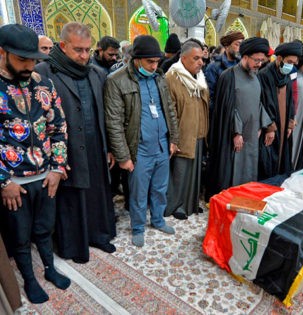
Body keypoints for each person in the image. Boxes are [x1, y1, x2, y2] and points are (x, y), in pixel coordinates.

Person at [0, 24, 70, 303]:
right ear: (2, 53)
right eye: (22, 59)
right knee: (20, 237)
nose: (30, 65)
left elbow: (59, 128)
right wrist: (4, 182)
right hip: (14, 184)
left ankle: (50, 270)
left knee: (44, 229)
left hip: (45, 177)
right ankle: (29, 280)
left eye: (33, 59)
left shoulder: (44, 84)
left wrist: (57, 168)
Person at [36, 22, 116, 263]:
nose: (84, 56)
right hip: (65, 150)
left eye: (87, 50)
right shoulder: (44, 72)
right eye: (78, 50)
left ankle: (100, 235)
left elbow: (105, 113)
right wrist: (53, 158)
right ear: (63, 46)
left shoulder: (96, 73)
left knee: (97, 193)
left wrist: (110, 147)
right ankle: (73, 246)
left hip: (95, 145)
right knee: (71, 199)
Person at [104, 35, 179, 247]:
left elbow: (169, 110)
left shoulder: (159, 78)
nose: (155, 66)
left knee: (159, 188)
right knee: (138, 192)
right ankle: (137, 227)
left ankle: (157, 219)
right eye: (150, 62)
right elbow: (114, 123)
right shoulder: (116, 81)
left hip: (162, 145)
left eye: (157, 62)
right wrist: (123, 156)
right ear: (136, 59)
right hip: (138, 150)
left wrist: (173, 139)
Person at [206, 37, 272, 198]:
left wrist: (262, 126)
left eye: (261, 61)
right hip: (233, 135)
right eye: (256, 60)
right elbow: (228, 108)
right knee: (231, 168)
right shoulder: (229, 76)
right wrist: (237, 133)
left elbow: (258, 103)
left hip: (251, 133)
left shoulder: (256, 76)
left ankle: (244, 196)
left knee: (248, 167)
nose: (259, 64)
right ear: (245, 56)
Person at [164, 39, 209, 220]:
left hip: (198, 133)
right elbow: (170, 112)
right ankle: (176, 205)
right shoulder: (172, 77)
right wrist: (174, 138)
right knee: (180, 173)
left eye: (202, 59)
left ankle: (190, 204)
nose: (200, 62)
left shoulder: (199, 77)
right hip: (182, 135)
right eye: (196, 58)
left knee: (195, 172)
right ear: (183, 58)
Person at [258, 41, 303, 179]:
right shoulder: (265, 75)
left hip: (284, 126)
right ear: (279, 59)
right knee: (268, 158)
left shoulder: (286, 76)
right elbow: (264, 103)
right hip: (271, 127)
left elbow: (291, 101)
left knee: (282, 156)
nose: (291, 65)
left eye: (294, 63)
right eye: (289, 61)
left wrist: (290, 123)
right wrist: (270, 128)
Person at [205, 31, 244, 115]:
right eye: (237, 44)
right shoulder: (214, 67)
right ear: (227, 46)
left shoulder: (242, 66)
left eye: (241, 45)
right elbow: (210, 96)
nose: (240, 48)